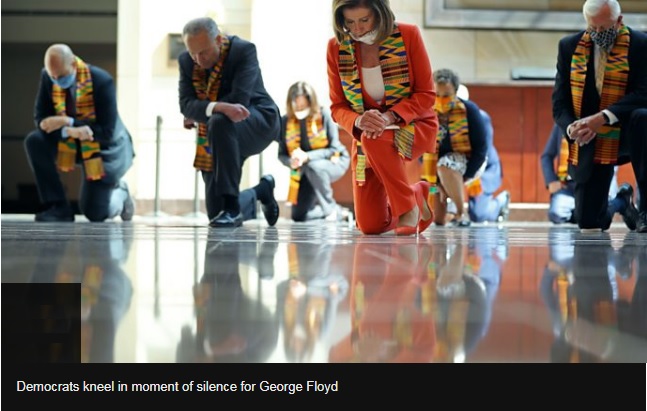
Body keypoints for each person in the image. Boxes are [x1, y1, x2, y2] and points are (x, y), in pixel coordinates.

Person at [326, 0, 438, 236]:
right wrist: (358, 120)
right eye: (349, 22)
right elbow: (337, 106)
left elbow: (426, 94)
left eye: (364, 20)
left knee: (372, 138)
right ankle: (415, 195)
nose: (357, 29)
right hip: (367, 132)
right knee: (370, 226)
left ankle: (408, 208)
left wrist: (388, 117)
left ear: (380, 14)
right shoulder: (336, 48)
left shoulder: (408, 34)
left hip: (413, 124)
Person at [552, 0, 647, 233]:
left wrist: (604, 117)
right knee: (588, 222)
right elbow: (559, 103)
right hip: (593, 138)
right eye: (592, 28)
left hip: (632, 131)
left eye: (604, 28)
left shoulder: (640, 44)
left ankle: (645, 210)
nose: (597, 33)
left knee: (643, 117)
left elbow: (644, 93)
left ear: (619, 20)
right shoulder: (569, 46)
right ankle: (621, 202)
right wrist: (572, 128)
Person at [179, 17, 281, 228]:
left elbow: (238, 101)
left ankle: (232, 208)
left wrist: (203, 110)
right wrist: (215, 107)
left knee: (220, 121)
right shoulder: (186, 61)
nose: (198, 59)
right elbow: (185, 104)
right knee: (216, 213)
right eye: (192, 53)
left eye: (203, 52)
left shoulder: (243, 51)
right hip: (218, 132)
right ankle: (260, 191)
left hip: (257, 121)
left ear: (218, 40)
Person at [24, 44, 135, 223]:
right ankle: (58, 207)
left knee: (95, 213)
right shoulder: (48, 77)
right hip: (72, 140)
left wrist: (69, 122)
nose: (56, 81)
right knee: (35, 141)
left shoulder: (101, 81)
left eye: (61, 76)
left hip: (104, 148)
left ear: (73, 65)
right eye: (52, 77)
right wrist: (70, 128)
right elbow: (41, 119)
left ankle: (121, 193)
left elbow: (107, 132)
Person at [278, 81, 350, 222]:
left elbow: (334, 149)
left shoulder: (323, 115)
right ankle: (337, 211)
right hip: (304, 169)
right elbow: (281, 155)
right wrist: (291, 161)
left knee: (314, 166)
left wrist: (307, 156)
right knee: (298, 215)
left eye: (303, 106)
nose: (300, 109)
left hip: (334, 161)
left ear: (311, 103)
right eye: (297, 106)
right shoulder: (285, 121)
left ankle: (329, 207)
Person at [431, 69, 488, 227]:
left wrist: (464, 177)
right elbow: (423, 150)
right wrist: (439, 184)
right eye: (437, 95)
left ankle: (462, 213)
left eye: (446, 95)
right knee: (438, 219)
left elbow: (481, 149)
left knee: (445, 164)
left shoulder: (470, 110)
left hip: (468, 162)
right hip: (435, 169)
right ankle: (450, 210)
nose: (441, 99)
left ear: (455, 92)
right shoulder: (428, 112)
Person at [540, 123, 620, 224]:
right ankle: (582, 214)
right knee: (557, 212)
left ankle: (621, 201)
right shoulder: (561, 124)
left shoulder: (599, 121)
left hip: (594, 180)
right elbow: (546, 156)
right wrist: (551, 181)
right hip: (568, 185)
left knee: (600, 216)